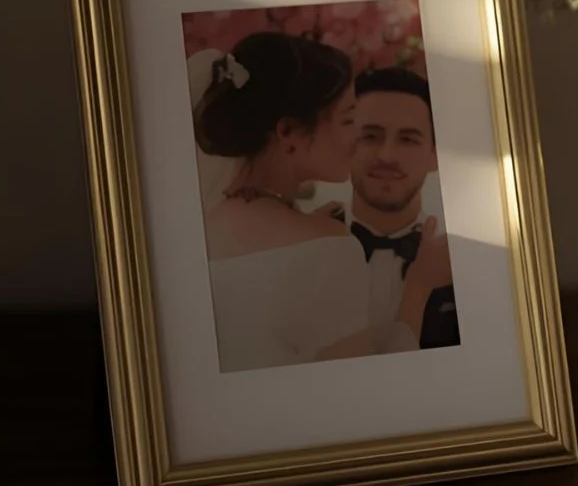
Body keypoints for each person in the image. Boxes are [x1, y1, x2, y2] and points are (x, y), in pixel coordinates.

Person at [193, 33, 451, 372]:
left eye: (408, 139)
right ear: (288, 133)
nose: (357, 139)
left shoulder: (205, 224)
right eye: (349, 120)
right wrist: (418, 289)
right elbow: (363, 394)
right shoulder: (327, 248)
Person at [348, 66, 460, 349]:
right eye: (370, 136)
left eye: (408, 139)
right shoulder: (302, 249)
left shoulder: (466, 263)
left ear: (435, 156)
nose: (386, 155)